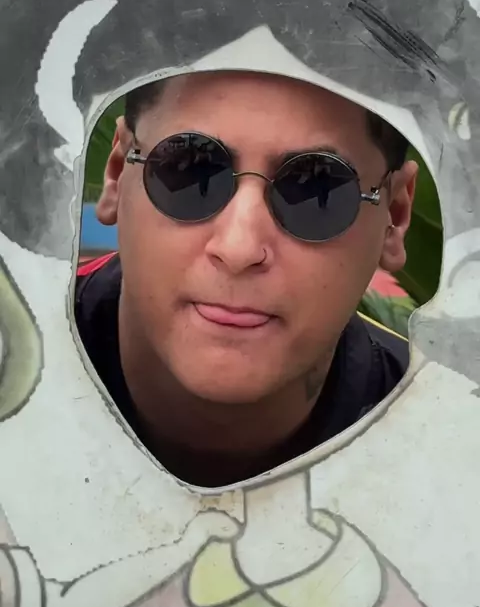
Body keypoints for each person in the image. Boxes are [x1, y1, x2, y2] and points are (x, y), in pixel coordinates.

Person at [75, 69, 417, 487]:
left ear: (395, 215)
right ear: (116, 175)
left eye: (317, 191)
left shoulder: (454, 451)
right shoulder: (14, 353)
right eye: (190, 170)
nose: (239, 248)